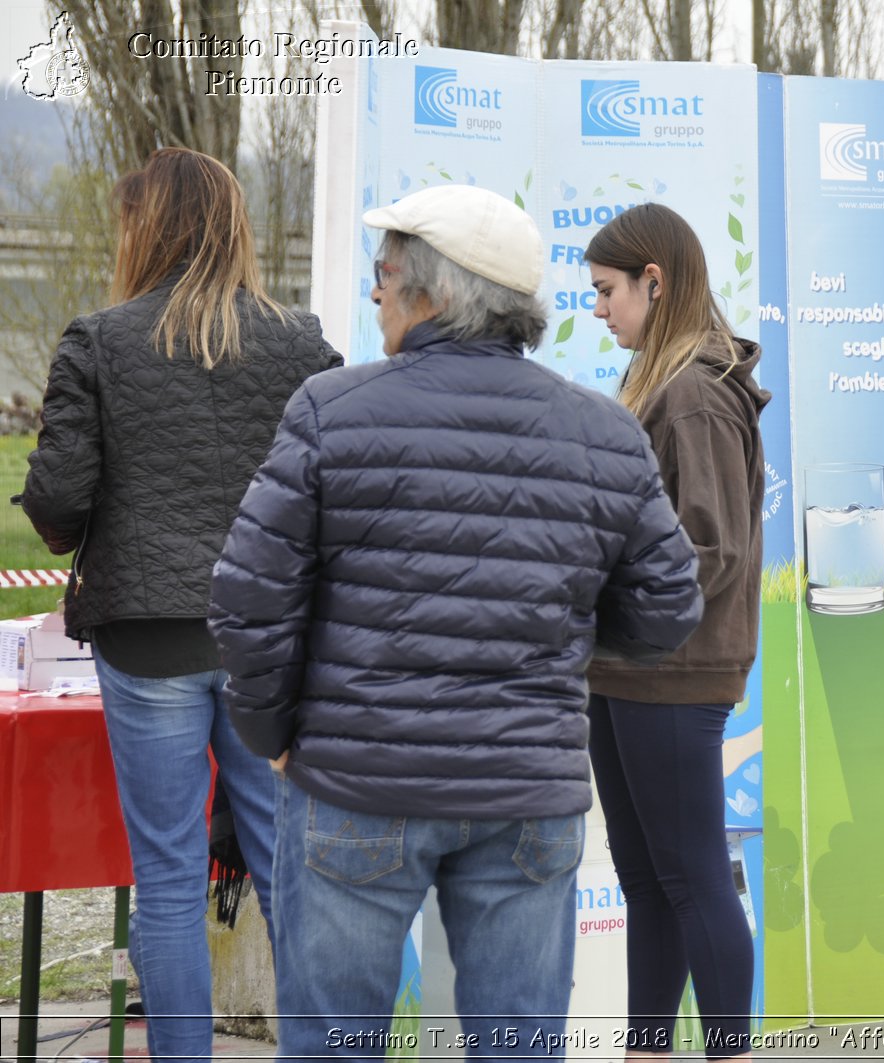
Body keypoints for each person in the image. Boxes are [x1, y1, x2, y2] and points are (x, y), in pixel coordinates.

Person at [207, 184, 705, 1060]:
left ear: (433, 294)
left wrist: (271, 734)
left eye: (386, 273)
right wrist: (563, 644)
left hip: (356, 780)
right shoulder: (604, 433)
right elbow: (668, 608)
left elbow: (249, 598)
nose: (373, 291)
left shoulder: (332, 410)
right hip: (525, 793)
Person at [21, 146, 341, 1061]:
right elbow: (340, 484)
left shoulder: (99, 338)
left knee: (166, 879)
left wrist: (64, 534)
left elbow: (57, 499)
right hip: (267, 641)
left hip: (148, 637)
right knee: (290, 874)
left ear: (146, 229)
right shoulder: (301, 340)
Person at [584, 203, 767, 1061]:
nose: (598, 308)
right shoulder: (664, 383)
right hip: (624, 670)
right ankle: (646, 1048)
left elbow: (710, 548)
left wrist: (611, 606)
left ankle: (730, 1051)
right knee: (650, 886)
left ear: (655, 282)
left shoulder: (693, 392)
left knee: (692, 878)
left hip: (674, 671)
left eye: (608, 290)